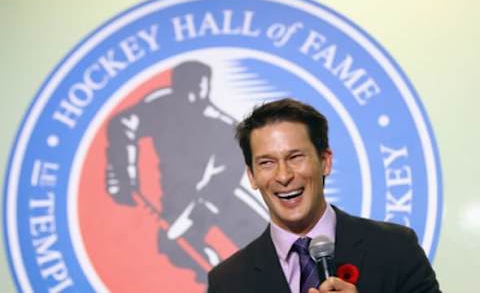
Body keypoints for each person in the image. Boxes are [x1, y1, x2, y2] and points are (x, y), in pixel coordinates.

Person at [207, 98, 441, 293]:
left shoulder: (396, 249)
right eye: (267, 163)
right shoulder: (228, 282)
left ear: (325, 161)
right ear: (252, 176)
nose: (284, 176)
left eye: (295, 157)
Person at [105, 61, 265, 283]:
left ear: (206, 88)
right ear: (176, 86)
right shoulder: (161, 109)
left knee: (262, 236)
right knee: (175, 247)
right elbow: (122, 124)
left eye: (197, 89)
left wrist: (190, 219)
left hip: (220, 196)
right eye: (186, 89)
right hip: (176, 196)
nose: (191, 98)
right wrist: (122, 173)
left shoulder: (225, 127)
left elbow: (221, 182)